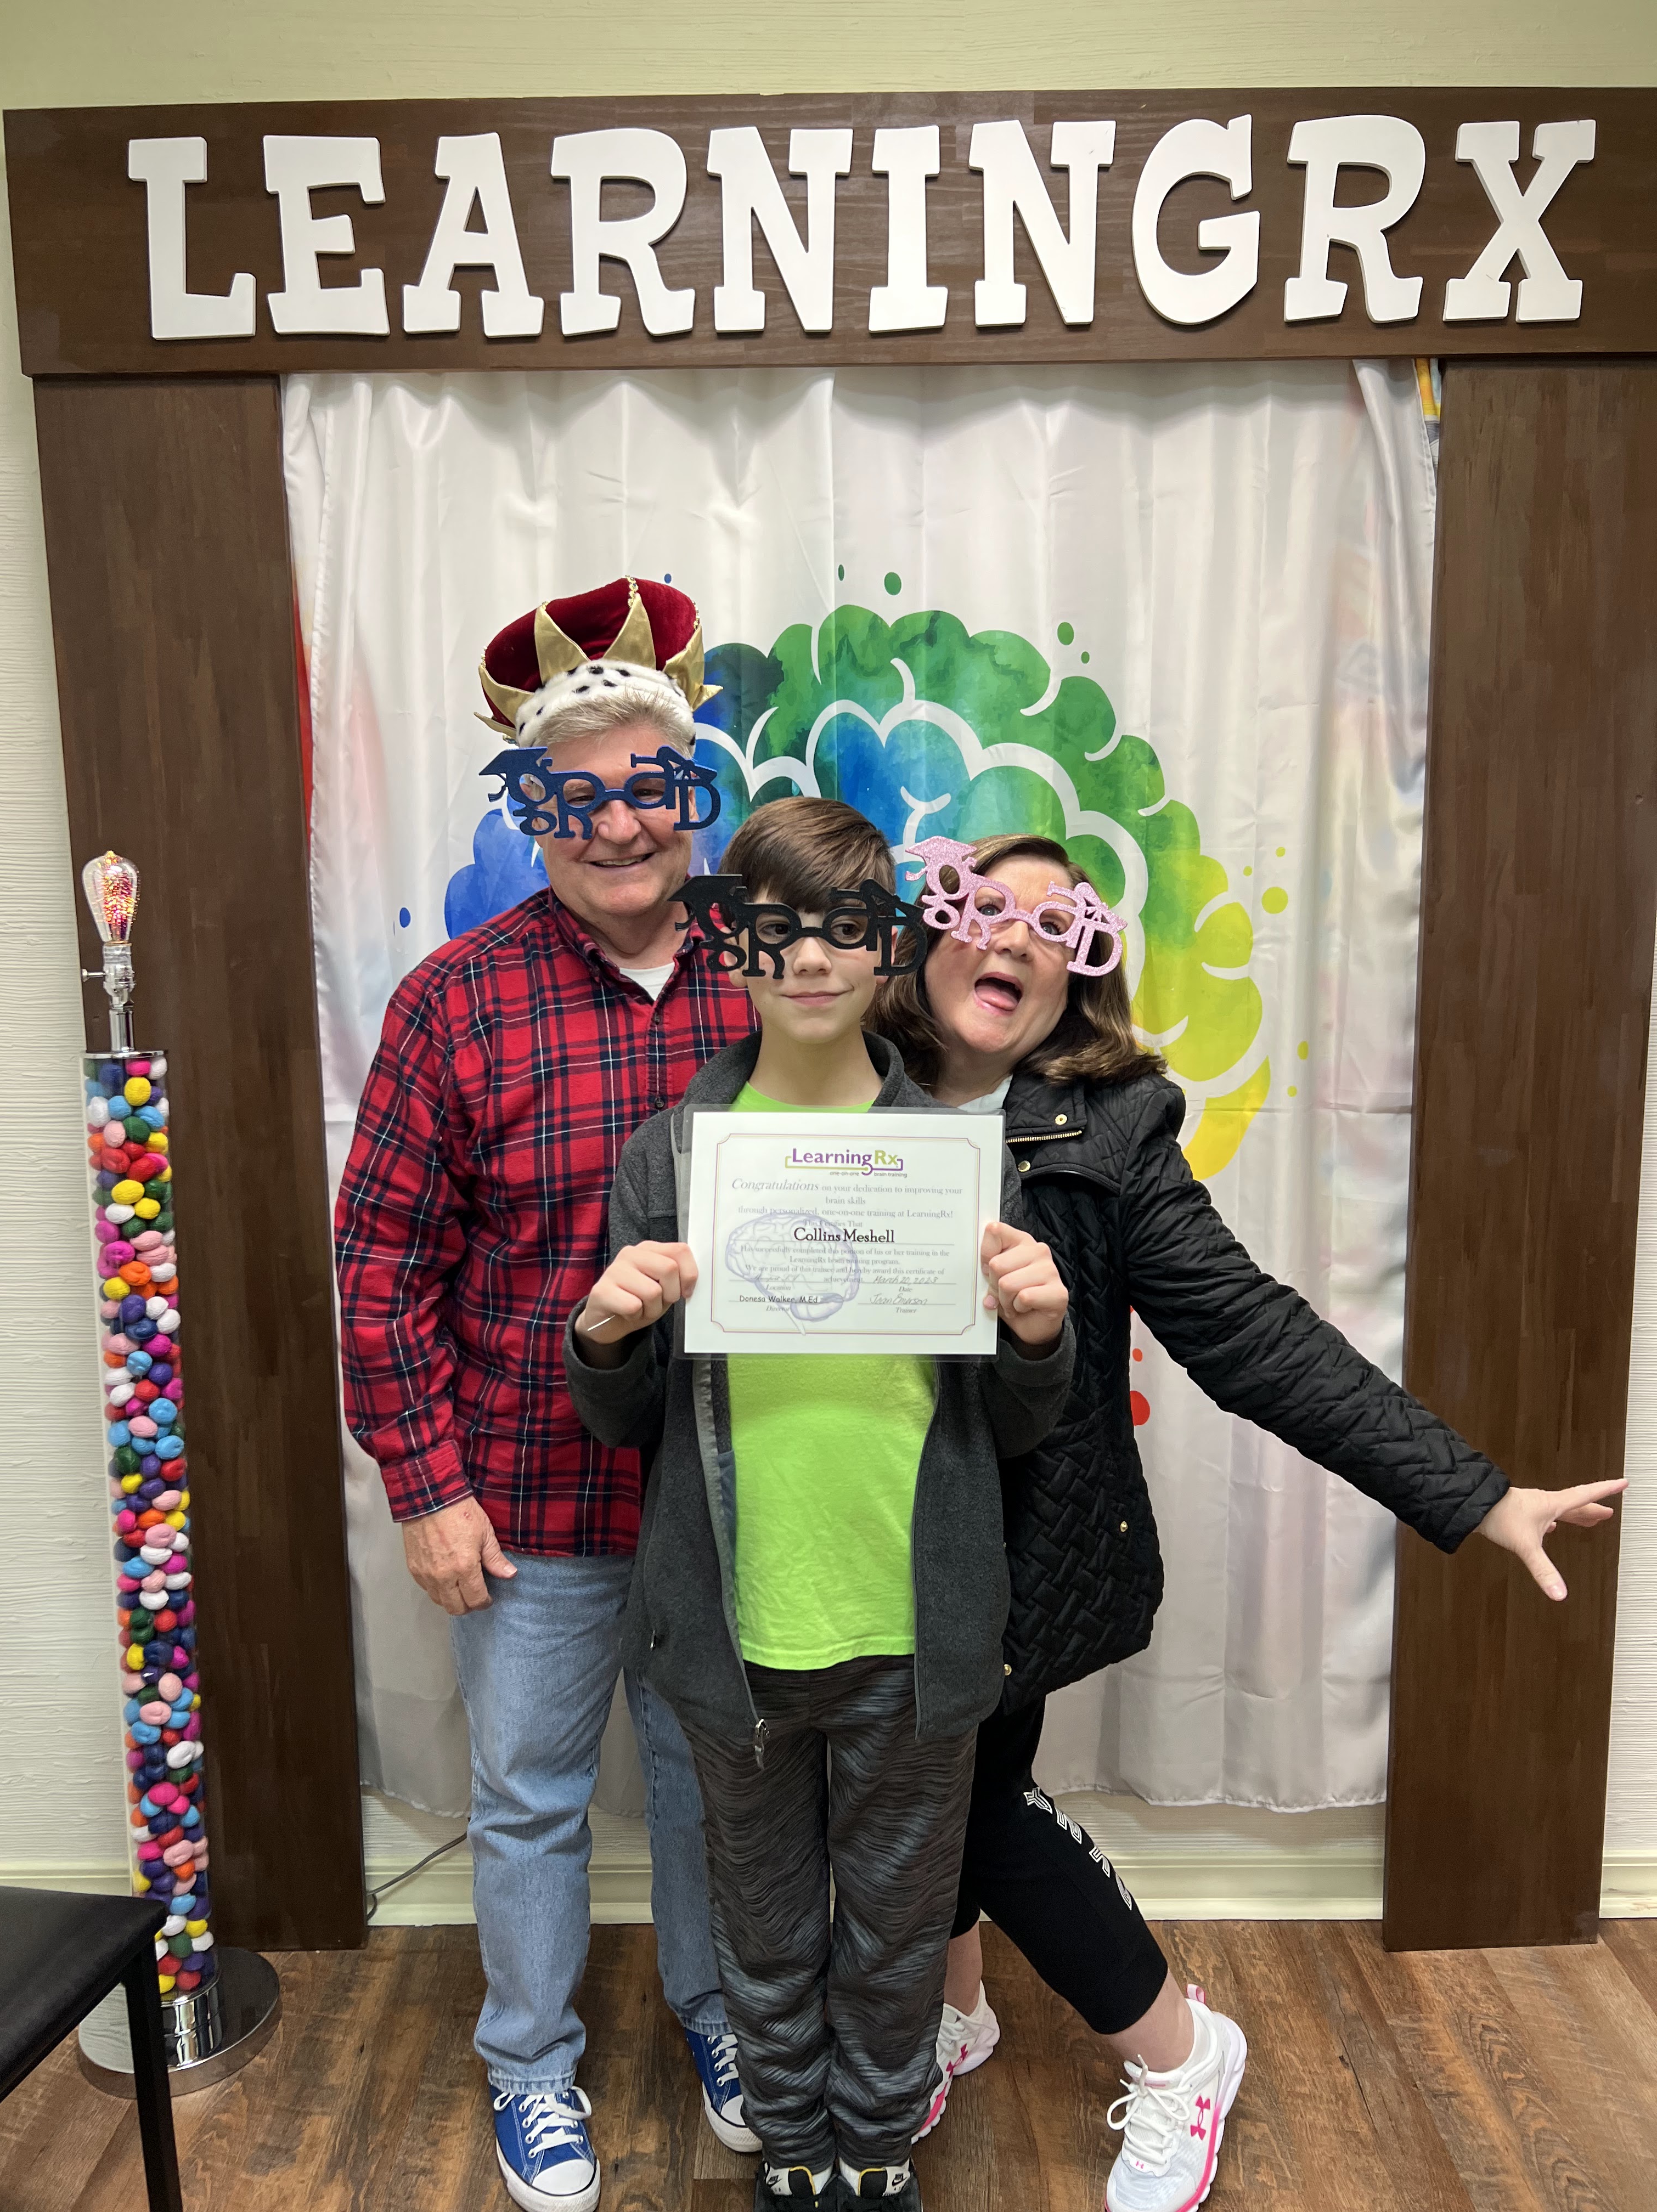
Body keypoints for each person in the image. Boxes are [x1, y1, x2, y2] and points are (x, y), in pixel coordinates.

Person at [871, 831, 1626, 2212]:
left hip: (1019, 1553)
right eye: (985, 907)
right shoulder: (842, 1091)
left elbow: (1254, 1337)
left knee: (965, 1806)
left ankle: (1181, 2052)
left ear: (1080, 980)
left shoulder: (1111, 1129)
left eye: (1060, 926)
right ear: (930, 935)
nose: (1016, 936)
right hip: (864, 1535)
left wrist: (1474, 1492)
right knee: (942, 1797)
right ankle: (957, 2010)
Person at [562, 798, 1075, 2212]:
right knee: (765, 1922)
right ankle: (792, 2146)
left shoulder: (959, 1157)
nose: (809, 959)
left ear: (889, 947)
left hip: (914, 1622)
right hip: (735, 1627)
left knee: (901, 1929)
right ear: (729, 944)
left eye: (846, 929)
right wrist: (604, 1332)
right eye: (775, 929)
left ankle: (879, 2145)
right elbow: (624, 1421)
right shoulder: (671, 1155)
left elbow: (1013, 1425)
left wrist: (1040, 1333)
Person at [334, 577, 760, 2212]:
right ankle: (529, 2062)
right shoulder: (456, 1000)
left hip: (734, 1484)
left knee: (721, 1779)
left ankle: (721, 2012)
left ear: (692, 793)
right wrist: (426, 1487)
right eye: (577, 800)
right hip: (527, 1493)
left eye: (651, 788)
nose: (621, 827)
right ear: (530, 812)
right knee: (526, 1798)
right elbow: (380, 1265)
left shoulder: (772, 972)